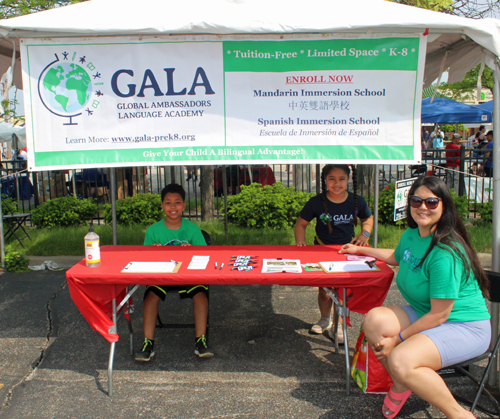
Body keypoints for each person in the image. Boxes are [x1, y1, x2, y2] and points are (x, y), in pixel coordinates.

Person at [340, 176, 490, 419]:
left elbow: (440, 314)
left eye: (432, 202)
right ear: (409, 204)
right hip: (426, 313)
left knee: (400, 357)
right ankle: (402, 383)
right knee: (374, 320)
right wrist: (360, 249)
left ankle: (459, 415)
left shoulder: (444, 252)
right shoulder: (412, 234)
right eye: (416, 200)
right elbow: (397, 257)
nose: (423, 207)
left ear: (444, 206)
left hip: (463, 325)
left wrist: (398, 339)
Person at [295, 164, 374, 342]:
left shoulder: (357, 201)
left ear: (348, 180)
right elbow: (301, 224)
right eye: (332, 179)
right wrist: (300, 243)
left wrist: (365, 234)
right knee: (325, 290)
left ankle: (339, 326)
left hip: (347, 252)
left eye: (341, 179)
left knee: (342, 291)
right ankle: (325, 320)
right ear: (325, 181)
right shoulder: (316, 202)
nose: (336, 183)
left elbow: (367, 218)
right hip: (322, 251)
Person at [135, 183, 213, 361]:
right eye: (168, 203)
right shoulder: (153, 230)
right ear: (162, 205)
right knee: (150, 296)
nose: (173, 207)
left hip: (189, 274)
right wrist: (154, 252)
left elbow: (206, 256)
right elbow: (145, 260)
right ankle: (148, 343)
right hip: (162, 275)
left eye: (177, 203)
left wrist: (192, 249)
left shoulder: (192, 229)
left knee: (201, 294)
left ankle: (201, 341)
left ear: (184, 205)